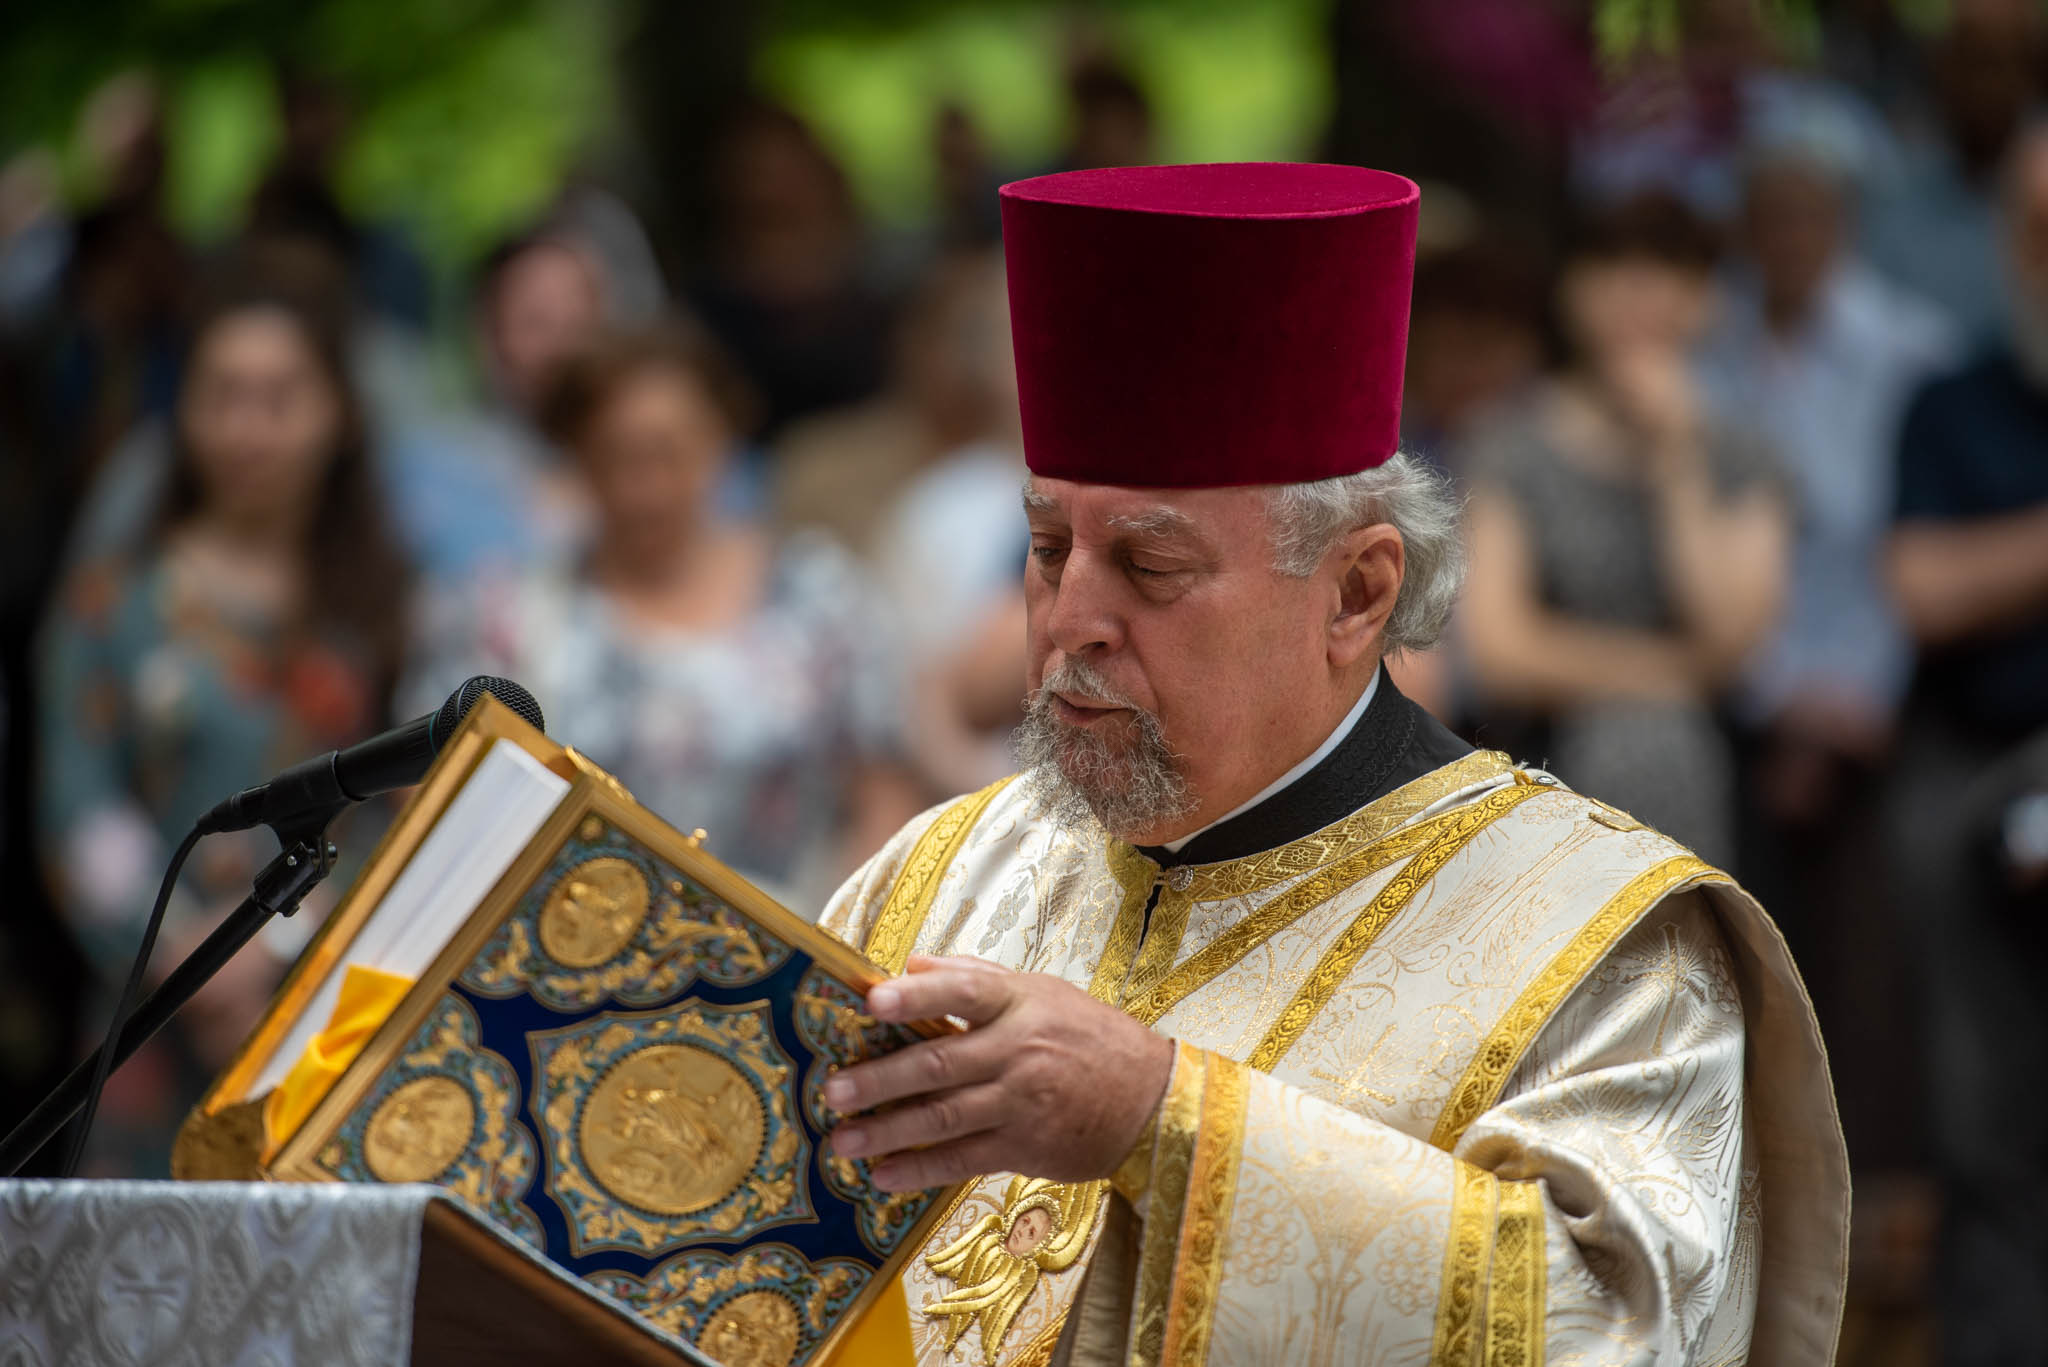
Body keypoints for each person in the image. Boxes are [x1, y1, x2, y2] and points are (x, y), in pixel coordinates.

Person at [814, 163, 1845, 1366]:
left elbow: (1619, 1335)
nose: (1068, 618)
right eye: (1047, 548)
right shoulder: (940, 872)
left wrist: (1162, 1120)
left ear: (1355, 592)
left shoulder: (1606, 953)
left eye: (1147, 567)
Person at [38, 284, 410, 1175]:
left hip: (318, 1011)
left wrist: (272, 944)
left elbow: (398, 810)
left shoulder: (383, 609)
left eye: (280, 399)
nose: (249, 429)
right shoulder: (114, 600)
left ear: (338, 414)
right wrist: (176, 958)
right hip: (144, 1009)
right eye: (223, 395)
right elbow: (77, 803)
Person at [403, 325, 924, 907]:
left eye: (669, 454)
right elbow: (434, 795)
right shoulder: (506, 617)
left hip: (788, 945)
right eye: (615, 458)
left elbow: (883, 791)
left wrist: (844, 941)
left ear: (723, 442)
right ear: (575, 461)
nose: (645, 488)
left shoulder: (823, 596)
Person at [1456, 195, 1791, 866]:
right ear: (1571, 289)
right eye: (1610, 264)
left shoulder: (1744, 455)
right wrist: (1680, 670)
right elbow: (1501, 651)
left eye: (1667, 266)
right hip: (1546, 760)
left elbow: (1735, 636)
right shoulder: (1508, 444)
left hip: (1709, 766)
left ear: (1706, 296)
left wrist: (1676, 456)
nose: (1636, 290)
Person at [1885, 120, 2048, 1367]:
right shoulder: (1951, 403)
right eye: (2035, 229)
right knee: (1986, 1114)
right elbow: (1923, 589)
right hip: (1984, 762)